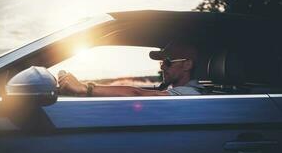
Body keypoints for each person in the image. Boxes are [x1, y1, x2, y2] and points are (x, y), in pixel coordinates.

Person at [58, 41, 204, 96]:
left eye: (167, 62)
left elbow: (137, 93)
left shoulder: (189, 93)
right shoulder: (171, 90)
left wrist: (85, 88)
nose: (162, 67)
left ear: (187, 65)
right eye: (161, 63)